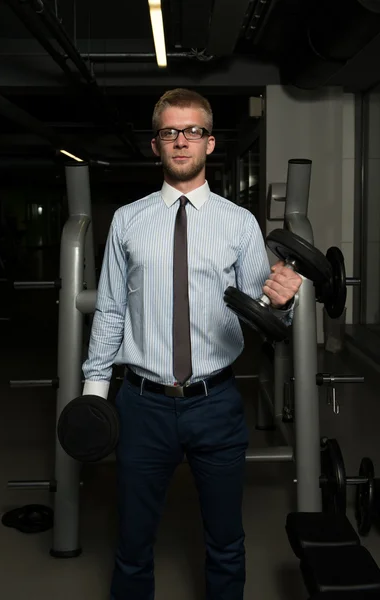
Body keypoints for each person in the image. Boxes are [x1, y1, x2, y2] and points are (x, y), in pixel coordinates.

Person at [82, 88, 302, 600]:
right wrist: (95, 397)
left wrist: (283, 298)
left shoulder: (238, 223)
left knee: (226, 543)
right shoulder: (128, 221)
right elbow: (112, 308)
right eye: (170, 132)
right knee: (133, 546)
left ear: (210, 143)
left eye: (193, 131)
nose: (181, 141)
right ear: (155, 144)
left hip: (216, 403)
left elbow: (260, 312)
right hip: (141, 404)